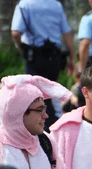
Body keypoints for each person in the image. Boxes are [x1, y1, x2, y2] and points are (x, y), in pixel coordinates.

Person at [10, 0, 75, 130]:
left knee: (35, 96)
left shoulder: (25, 5)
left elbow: (16, 33)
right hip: (54, 57)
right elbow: (67, 33)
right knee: (50, 92)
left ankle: (42, 130)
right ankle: (53, 127)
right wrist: (72, 58)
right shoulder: (56, 5)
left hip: (35, 56)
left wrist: (22, 48)